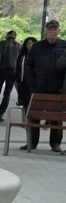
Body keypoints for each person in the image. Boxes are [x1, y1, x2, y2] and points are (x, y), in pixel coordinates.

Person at [22, 20, 66, 152]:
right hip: (38, 88)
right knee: (34, 117)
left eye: (55, 29)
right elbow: (28, 65)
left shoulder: (64, 46)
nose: (52, 32)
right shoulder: (37, 47)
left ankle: (55, 144)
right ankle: (32, 142)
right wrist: (32, 84)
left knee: (56, 119)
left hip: (56, 89)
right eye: (50, 30)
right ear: (45, 31)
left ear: (58, 31)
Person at [0, 30, 21, 122]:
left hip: (2, 70)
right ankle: (1, 114)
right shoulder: (19, 46)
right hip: (13, 72)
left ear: (7, 36)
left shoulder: (3, 43)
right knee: (7, 94)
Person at [15, 36, 37, 111]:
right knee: (25, 103)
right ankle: (26, 120)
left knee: (34, 104)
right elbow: (18, 69)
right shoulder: (22, 56)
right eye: (28, 43)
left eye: (32, 43)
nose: (30, 45)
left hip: (34, 83)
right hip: (23, 82)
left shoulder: (38, 56)